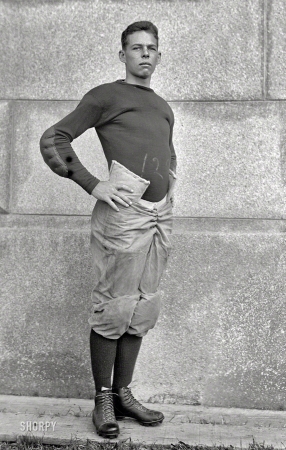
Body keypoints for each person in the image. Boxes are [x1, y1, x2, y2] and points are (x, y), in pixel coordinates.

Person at [39, 21, 177, 439]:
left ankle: (123, 394)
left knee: (142, 306)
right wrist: (94, 184)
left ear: (159, 55)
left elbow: (163, 153)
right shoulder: (105, 95)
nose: (145, 54)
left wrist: (168, 185)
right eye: (136, 48)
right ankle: (102, 398)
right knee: (113, 306)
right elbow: (54, 138)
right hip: (124, 215)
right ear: (123, 55)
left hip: (160, 214)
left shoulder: (163, 105)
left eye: (151, 48)